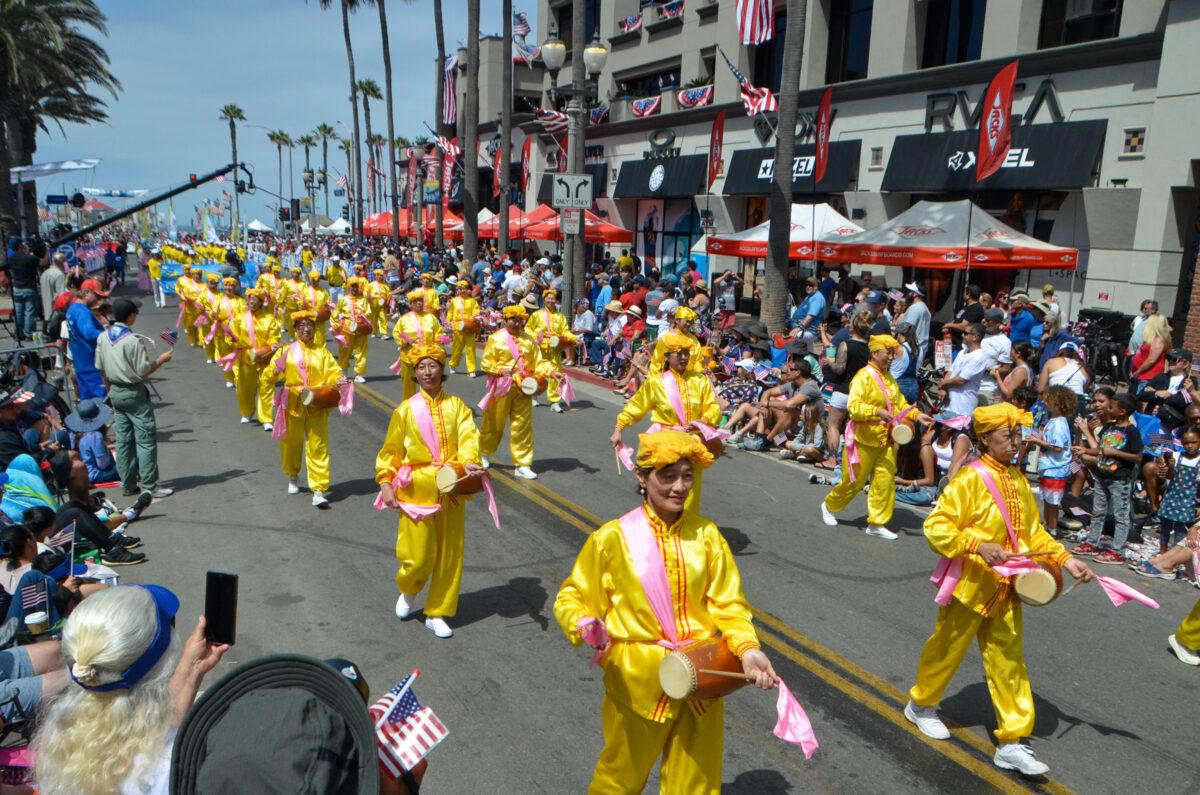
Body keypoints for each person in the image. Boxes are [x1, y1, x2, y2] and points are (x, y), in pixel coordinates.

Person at [553, 429, 779, 793]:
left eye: (687, 476)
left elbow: (729, 604)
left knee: (697, 784)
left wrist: (747, 649)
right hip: (638, 681)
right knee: (619, 781)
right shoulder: (613, 538)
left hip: (702, 675)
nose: (679, 487)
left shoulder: (707, 535)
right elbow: (571, 596)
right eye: (667, 476)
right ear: (642, 477)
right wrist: (583, 624)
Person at [904, 403, 1093, 777]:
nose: (1016, 442)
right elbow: (936, 527)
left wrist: (1065, 560)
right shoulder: (971, 479)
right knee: (947, 648)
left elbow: (1034, 535)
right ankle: (921, 705)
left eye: (1018, 435)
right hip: (972, 586)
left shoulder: (1020, 480)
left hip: (1008, 588)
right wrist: (977, 546)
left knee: (1009, 663)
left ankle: (1012, 741)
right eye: (1008, 436)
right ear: (985, 439)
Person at [33, 585, 230, 795]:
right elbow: (160, 738)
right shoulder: (175, 764)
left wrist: (192, 669)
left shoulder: (58, 733)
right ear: (162, 664)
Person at [375, 344, 486, 639]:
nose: (427, 372)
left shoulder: (458, 407)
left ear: (442, 369)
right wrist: (386, 483)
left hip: (451, 486)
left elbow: (469, 439)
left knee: (450, 554)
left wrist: (470, 463)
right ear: (414, 372)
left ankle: (436, 611)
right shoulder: (405, 410)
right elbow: (391, 451)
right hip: (418, 489)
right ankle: (409, 589)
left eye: (433, 365)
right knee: (418, 556)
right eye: (422, 367)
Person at [822, 335, 932, 540]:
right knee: (853, 482)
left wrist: (917, 415)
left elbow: (899, 405)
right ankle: (829, 505)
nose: (891, 357)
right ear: (874, 353)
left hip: (885, 440)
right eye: (888, 352)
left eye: (893, 353)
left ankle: (876, 522)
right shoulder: (863, 376)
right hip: (864, 439)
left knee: (885, 481)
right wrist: (877, 412)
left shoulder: (888, 377)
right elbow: (853, 408)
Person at [611, 340, 722, 515]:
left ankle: (685, 531)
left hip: (691, 444)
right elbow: (635, 407)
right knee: (663, 490)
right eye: (679, 353)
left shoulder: (700, 380)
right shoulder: (656, 383)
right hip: (664, 445)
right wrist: (619, 428)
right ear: (667, 357)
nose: (684, 357)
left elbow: (713, 408)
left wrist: (703, 420)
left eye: (686, 352)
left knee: (689, 492)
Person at [94, 298, 175, 500]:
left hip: (115, 390)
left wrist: (110, 391)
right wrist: (161, 360)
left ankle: (128, 484)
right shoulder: (132, 340)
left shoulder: (103, 337)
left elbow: (101, 368)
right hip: (133, 391)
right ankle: (149, 485)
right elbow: (142, 372)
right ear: (130, 315)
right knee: (146, 440)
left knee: (124, 441)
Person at [265, 311, 347, 508]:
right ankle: (293, 475)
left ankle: (318, 489)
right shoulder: (287, 351)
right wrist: (275, 369)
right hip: (292, 403)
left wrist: (338, 379)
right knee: (292, 443)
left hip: (316, 403)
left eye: (309, 325)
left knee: (318, 445)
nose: (306, 329)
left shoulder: (323, 352)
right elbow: (268, 377)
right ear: (295, 330)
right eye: (301, 326)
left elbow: (333, 372)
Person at [1072, 392, 1144, 564]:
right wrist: (1085, 451)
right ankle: (1092, 542)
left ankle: (1117, 550)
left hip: (1120, 480)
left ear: (1122, 411)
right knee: (1098, 512)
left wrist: (1115, 452)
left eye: (1111, 406)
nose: (1107, 408)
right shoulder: (1109, 428)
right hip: (1102, 476)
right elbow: (1099, 449)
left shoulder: (1131, 431)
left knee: (1120, 515)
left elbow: (1138, 457)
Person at [479, 305, 543, 480]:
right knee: (494, 422)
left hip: (523, 389)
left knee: (522, 426)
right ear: (505, 320)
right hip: (502, 387)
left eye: (519, 320)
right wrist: (500, 370)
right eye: (512, 319)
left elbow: (539, 362)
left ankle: (522, 464)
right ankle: (484, 453)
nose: (516, 323)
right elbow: (486, 363)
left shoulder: (529, 340)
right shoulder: (496, 338)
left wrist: (551, 372)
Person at [53, 460, 146, 566]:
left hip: (43, 527)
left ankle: (111, 537)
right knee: (75, 513)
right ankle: (112, 551)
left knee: (74, 505)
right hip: (42, 540)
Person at [822, 310, 873, 469]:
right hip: (860, 393)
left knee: (834, 425)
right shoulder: (870, 348)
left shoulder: (846, 345)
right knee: (854, 428)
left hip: (843, 390)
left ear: (854, 328)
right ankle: (851, 462)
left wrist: (830, 360)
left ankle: (831, 459)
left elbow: (838, 369)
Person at [1027, 386, 1075, 537]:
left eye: (1048, 399)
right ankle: (1047, 525)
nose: (1044, 402)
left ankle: (1052, 529)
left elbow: (1057, 447)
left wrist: (1037, 441)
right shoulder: (1052, 421)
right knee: (1047, 499)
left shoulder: (1059, 424)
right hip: (1049, 467)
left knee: (1052, 502)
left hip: (1056, 468)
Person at [232, 288, 282, 428]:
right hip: (246, 358)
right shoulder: (240, 317)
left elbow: (274, 339)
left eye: (256, 300)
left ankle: (266, 418)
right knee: (245, 388)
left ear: (261, 302)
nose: (252, 302)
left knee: (266, 387)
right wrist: (233, 339)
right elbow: (233, 336)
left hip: (265, 358)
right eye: (250, 299)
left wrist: (266, 351)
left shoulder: (269, 319)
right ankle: (246, 413)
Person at [525, 290, 577, 414]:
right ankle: (534, 395)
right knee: (538, 371)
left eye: (553, 298)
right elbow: (528, 328)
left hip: (555, 349)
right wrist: (534, 336)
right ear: (544, 299)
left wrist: (574, 338)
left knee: (556, 374)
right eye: (548, 298)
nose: (550, 301)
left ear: (556, 300)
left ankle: (554, 402)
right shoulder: (536, 314)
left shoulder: (560, 316)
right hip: (540, 348)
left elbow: (565, 331)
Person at [392, 291, 444, 400]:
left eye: (420, 301)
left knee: (428, 383)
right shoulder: (404, 319)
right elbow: (397, 333)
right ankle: (409, 407)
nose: (419, 303)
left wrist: (441, 339)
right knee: (408, 384)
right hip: (408, 357)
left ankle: (429, 405)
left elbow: (438, 333)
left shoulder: (431, 318)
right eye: (415, 301)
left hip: (427, 357)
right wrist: (404, 341)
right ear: (410, 304)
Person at [66, 278, 110, 400]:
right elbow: (89, 332)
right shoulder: (83, 311)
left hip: (80, 360)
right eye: (96, 295)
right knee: (99, 399)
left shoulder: (72, 309)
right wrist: (107, 333)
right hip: (89, 361)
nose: (98, 299)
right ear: (86, 293)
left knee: (87, 401)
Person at [64, 398, 119, 484]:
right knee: (131, 464)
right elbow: (103, 464)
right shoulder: (95, 436)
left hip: (83, 473)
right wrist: (106, 449)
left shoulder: (73, 434)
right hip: (95, 475)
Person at [940, 323, 988, 416]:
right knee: (939, 428)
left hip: (962, 407)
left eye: (966, 333)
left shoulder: (979, 357)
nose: (962, 335)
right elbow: (951, 371)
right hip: (949, 404)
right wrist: (943, 388)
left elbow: (961, 380)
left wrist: (942, 383)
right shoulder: (962, 352)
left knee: (952, 430)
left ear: (974, 337)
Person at [333, 276, 372, 384]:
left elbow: (368, 313)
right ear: (349, 287)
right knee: (345, 351)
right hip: (346, 329)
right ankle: (344, 372)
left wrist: (363, 320)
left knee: (361, 352)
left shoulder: (363, 300)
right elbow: (335, 313)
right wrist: (336, 325)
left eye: (356, 286)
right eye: (352, 286)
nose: (354, 289)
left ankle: (359, 374)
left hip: (360, 329)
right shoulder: (343, 300)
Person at [3, 237, 40, 341]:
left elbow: (3, 267)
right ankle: (29, 334)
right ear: (20, 245)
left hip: (17, 288)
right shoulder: (28, 257)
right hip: (29, 288)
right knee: (30, 312)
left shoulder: (10, 258)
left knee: (18, 312)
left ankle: (19, 333)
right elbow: (41, 261)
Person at [445, 278, 482, 377]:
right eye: (460, 289)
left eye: (464, 288)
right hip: (458, 327)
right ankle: (452, 364)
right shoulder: (454, 301)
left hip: (469, 327)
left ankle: (471, 369)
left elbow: (476, 311)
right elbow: (451, 312)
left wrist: (474, 317)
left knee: (470, 349)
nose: (463, 290)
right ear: (458, 290)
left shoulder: (472, 301)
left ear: (468, 289)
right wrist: (448, 322)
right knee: (457, 349)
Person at [1130, 313, 1172, 395]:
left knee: (1140, 400)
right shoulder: (1153, 337)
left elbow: (1151, 360)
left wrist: (1138, 371)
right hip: (1141, 375)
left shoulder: (1159, 339)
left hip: (1148, 376)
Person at [942, 284, 985, 352]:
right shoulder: (967, 306)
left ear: (968, 295)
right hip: (952, 341)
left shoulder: (976, 308)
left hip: (961, 345)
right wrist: (948, 327)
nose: (963, 295)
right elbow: (957, 319)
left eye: (965, 293)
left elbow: (964, 326)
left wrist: (948, 325)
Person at [40, 251, 67, 320]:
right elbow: (61, 294)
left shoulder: (44, 273)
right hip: (56, 310)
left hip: (46, 309)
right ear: (61, 263)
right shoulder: (59, 274)